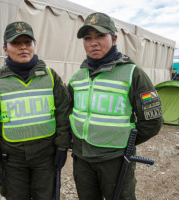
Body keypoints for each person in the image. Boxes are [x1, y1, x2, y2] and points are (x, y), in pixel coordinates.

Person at [68, 12, 163, 200]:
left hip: (115, 160)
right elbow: (68, 113)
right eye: (88, 38)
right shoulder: (77, 76)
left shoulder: (133, 74)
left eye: (100, 36)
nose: (93, 43)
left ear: (114, 38)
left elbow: (152, 121)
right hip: (82, 159)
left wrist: (122, 143)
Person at [0, 21, 71, 200]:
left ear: (34, 45)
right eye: (15, 43)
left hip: (46, 157)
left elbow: (63, 114)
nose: (23, 48)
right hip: (12, 161)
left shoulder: (51, 77)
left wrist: (62, 146)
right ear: (5, 48)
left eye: (28, 42)